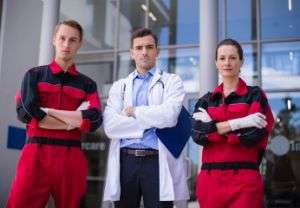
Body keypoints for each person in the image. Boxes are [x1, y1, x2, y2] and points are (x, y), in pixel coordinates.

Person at [7, 20, 102, 208]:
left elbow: (95, 120)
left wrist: (46, 114)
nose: (66, 44)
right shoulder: (33, 75)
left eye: (73, 40)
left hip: (71, 158)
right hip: (35, 156)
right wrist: (73, 121)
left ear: (80, 44)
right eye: (62, 38)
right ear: (54, 40)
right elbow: (26, 113)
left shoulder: (88, 85)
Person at [103, 28, 189, 208]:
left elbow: (170, 116)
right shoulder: (120, 86)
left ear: (157, 51)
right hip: (125, 162)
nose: (144, 52)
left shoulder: (172, 81)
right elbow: (111, 127)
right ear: (132, 53)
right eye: (139, 47)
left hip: (157, 161)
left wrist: (134, 111)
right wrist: (151, 123)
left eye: (149, 47)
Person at [192, 38, 274, 208]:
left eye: (232, 57)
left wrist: (214, 129)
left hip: (245, 181)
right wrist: (242, 122)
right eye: (222, 58)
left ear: (241, 61)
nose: (227, 63)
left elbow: (253, 136)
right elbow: (198, 135)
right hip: (209, 182)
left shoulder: (255, 96)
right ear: (216, 62)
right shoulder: (205, 101)